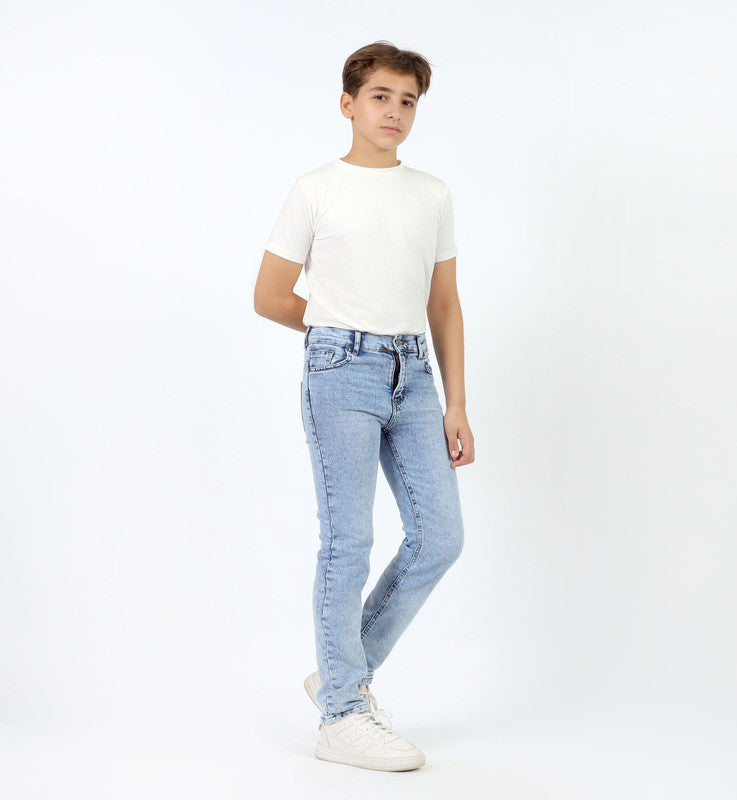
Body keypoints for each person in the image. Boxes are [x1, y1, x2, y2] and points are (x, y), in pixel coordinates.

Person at [253, 40, 475, 772]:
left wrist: (457, 404)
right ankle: (343, 716)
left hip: (416, 375)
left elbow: (444, 305)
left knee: (439, 537)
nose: (394, 111)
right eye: (381, 96)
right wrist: (339, 330)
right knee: (348, 541)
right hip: (341, 369)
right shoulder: (316, 189)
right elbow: (270, 296)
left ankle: (341, 676)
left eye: (408, 101)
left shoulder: (431, 194)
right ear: (348, 104)